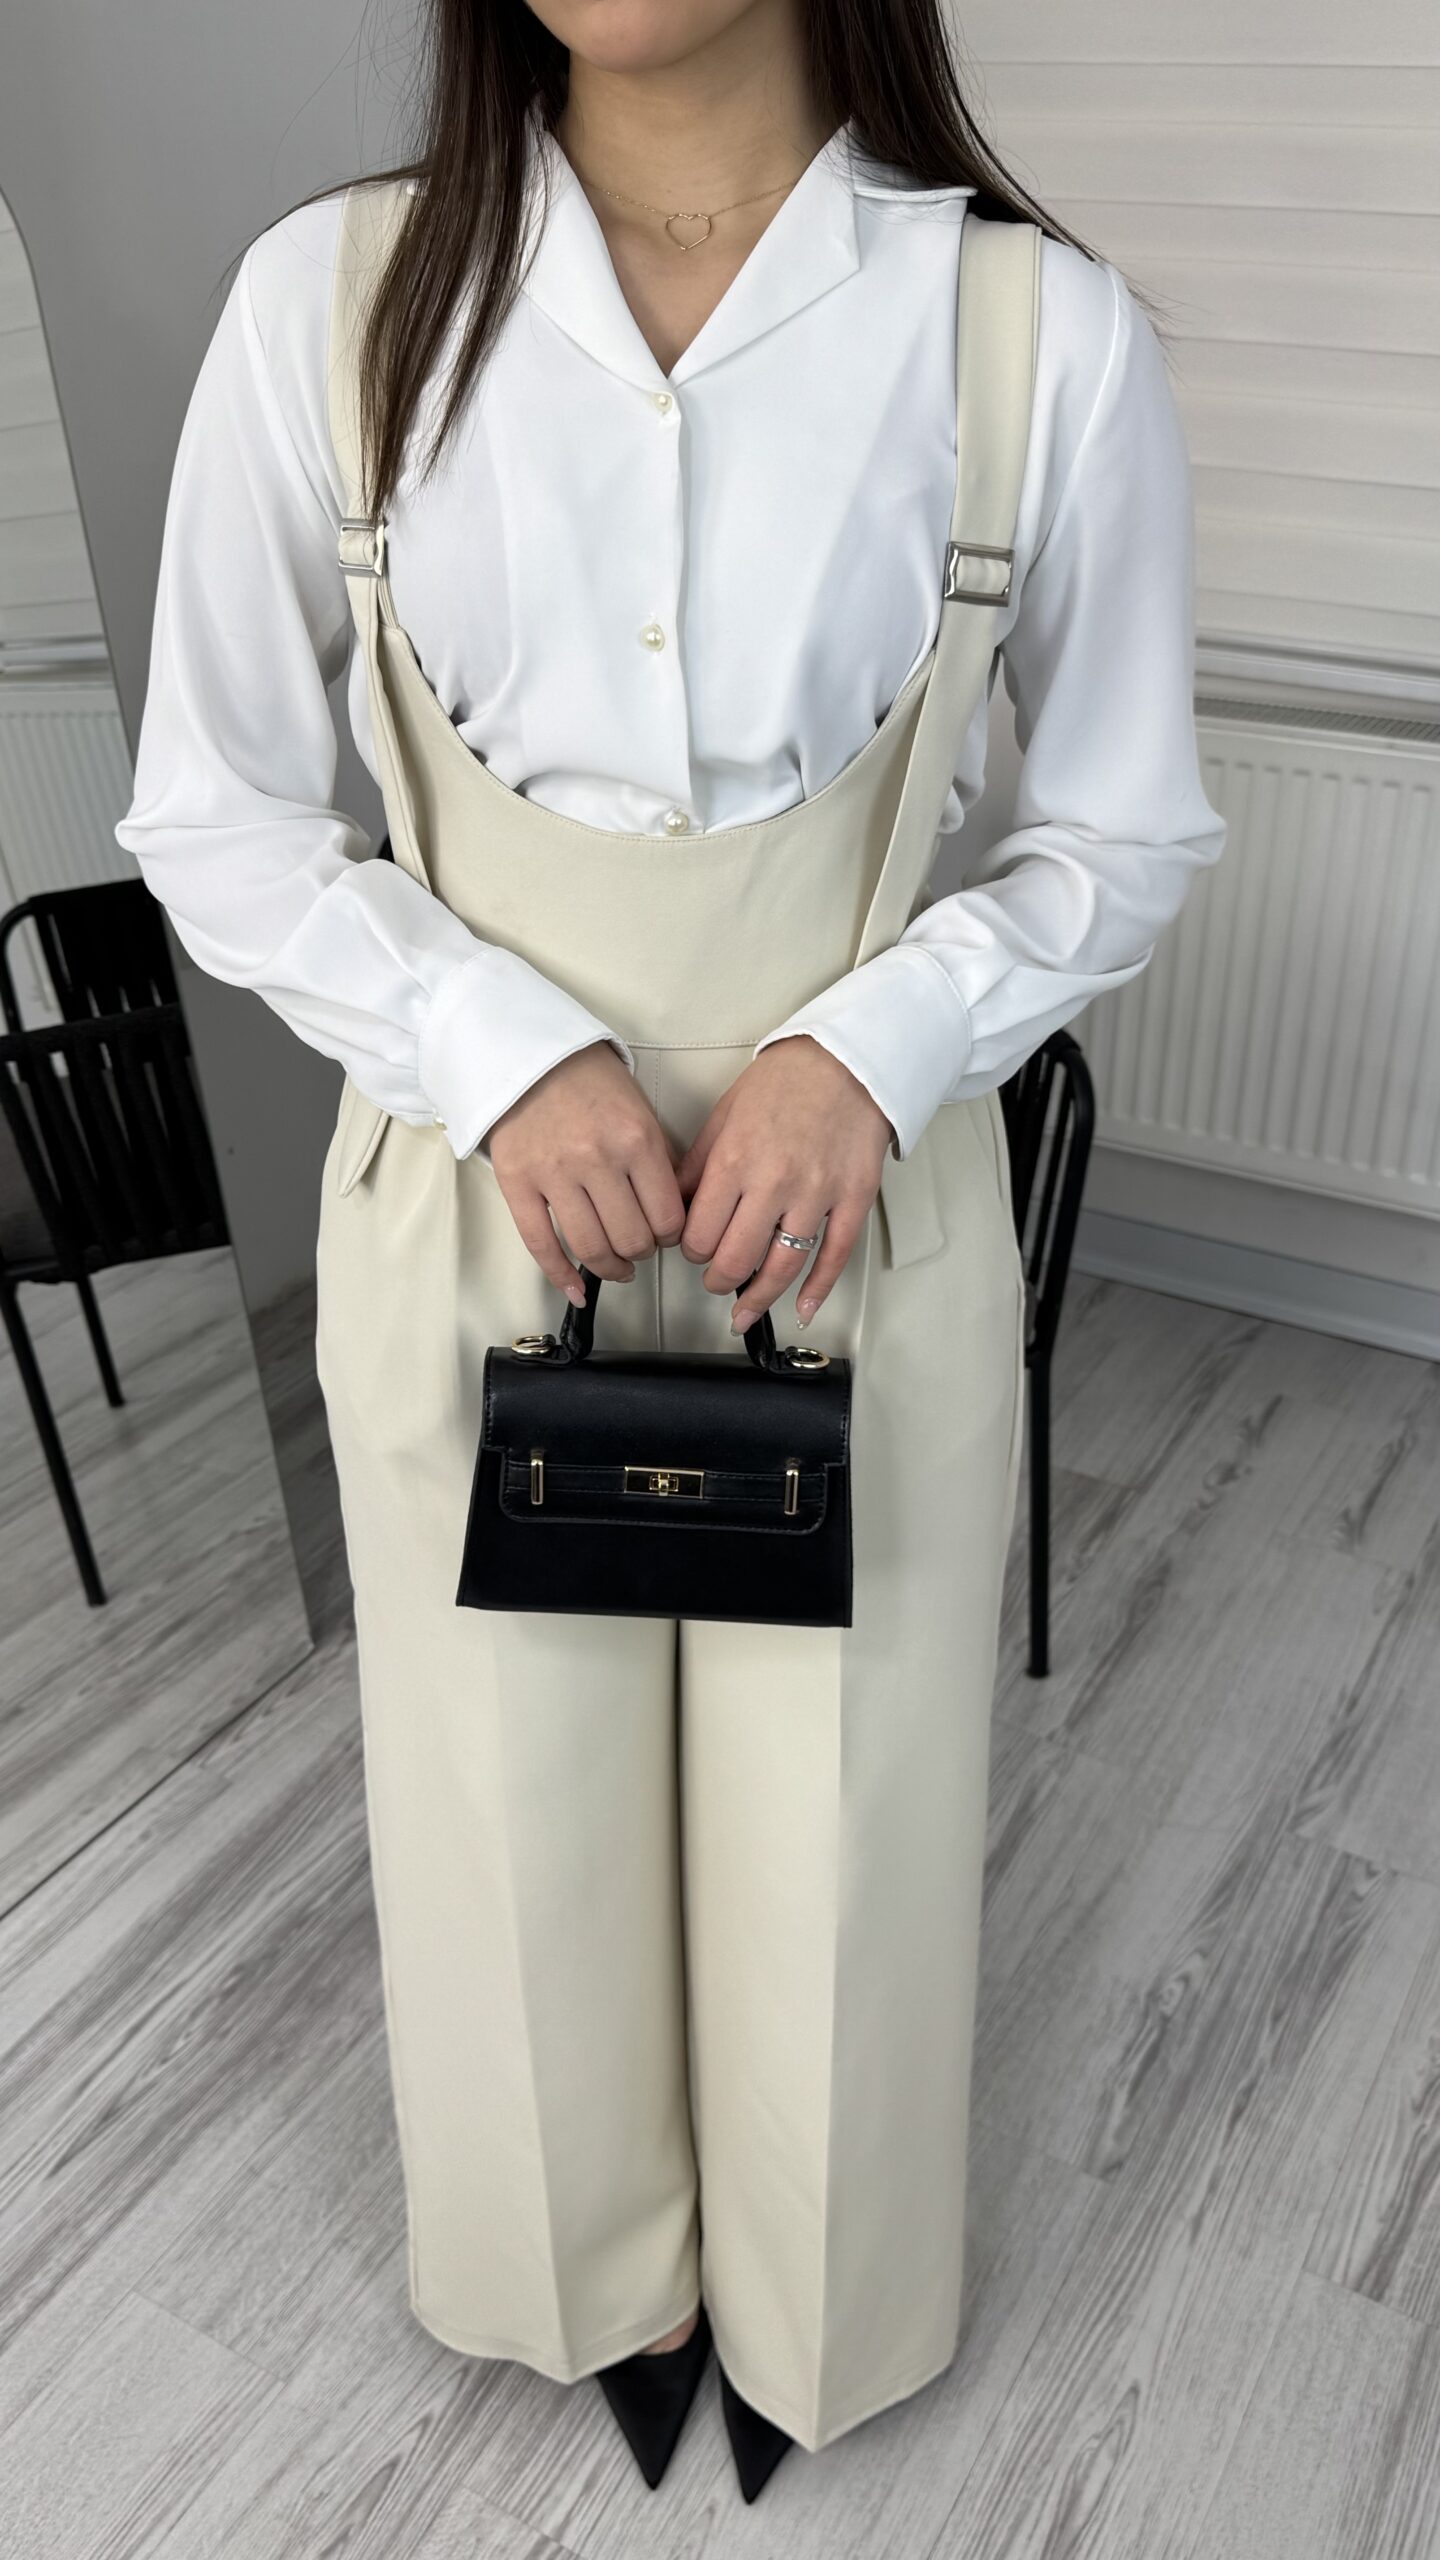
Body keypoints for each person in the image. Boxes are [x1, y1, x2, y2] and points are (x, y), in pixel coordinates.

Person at [115, 0, 1226, 2507]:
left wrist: (887, 1036)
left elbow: (1124, 823)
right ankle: (587, 2277)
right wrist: (490, 1040)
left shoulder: (1030, 332)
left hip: (853, 1198)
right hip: (474, 1184)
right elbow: (215, 806)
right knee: (505, 1779)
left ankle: (818, 2301)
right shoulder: (337, 303)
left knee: (848, 1787)